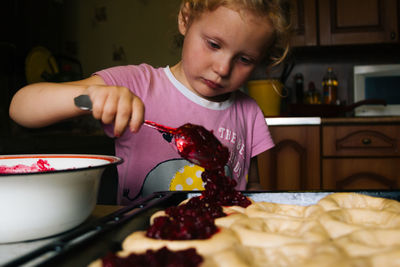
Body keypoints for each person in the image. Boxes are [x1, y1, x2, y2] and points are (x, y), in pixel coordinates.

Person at [9, 0, 290, 205]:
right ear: (185, 18)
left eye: (244, 60)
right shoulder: (136, 84)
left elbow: (252, 186)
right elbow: (22, 106)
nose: (223, 68)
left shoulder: (249, 112)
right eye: (214, 45)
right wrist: (93, 97)